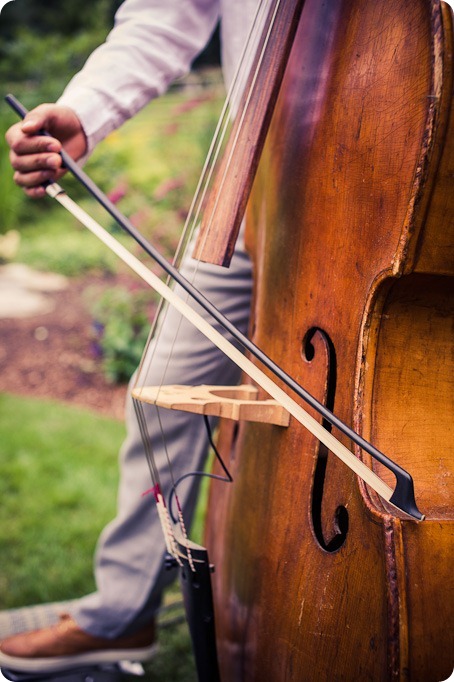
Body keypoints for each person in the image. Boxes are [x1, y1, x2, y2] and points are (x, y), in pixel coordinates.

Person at [1, 0, 262, 673]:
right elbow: (167, 11)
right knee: (160, 393)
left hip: (390, 188)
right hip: (255, 195)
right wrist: (85, 110)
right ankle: (122, 614)